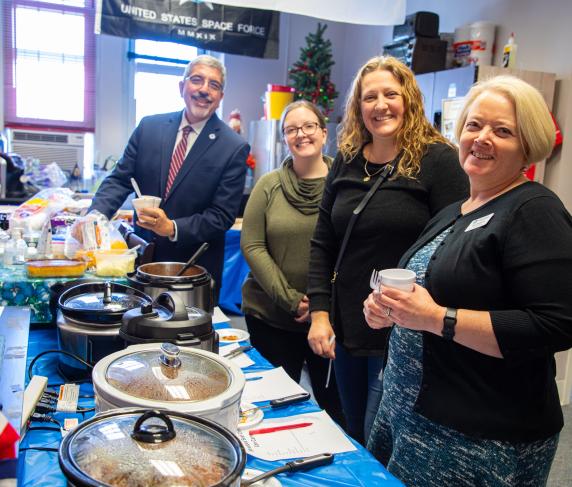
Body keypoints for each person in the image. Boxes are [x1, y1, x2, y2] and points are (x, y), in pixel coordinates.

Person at [363, 75, 572, 486]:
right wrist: (389, 310)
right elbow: (432, 292)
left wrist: (439, 318)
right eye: (474, 125)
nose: (482, 138)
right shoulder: (459, 209)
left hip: (476, 438)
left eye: (503, 130)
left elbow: (557, 324)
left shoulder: (534, 210)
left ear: (527, 145)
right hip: (410, 415)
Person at [306, 56, 469, 445]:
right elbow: (323, 242)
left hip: (405, 331)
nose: (380, 105)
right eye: (369, 97)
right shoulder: (346, 158)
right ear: (358, 107)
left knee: (381, 440)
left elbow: (456, 248)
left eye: (390, 94)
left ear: (408, 99)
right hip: (348, 326)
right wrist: (320, 314)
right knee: (352, 431)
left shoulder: (438, 160)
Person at [89, 55, 249, 293]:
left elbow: (222, 216)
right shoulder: (149, 127)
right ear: (182, 86)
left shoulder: (233, 146)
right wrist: (94, 218)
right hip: (142, 262)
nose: (204, 90)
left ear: (220, 97)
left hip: (192, 272)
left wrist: (172, 227)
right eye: (197, 80)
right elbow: (120, 179)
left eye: (213, 85)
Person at [241, 100, 344, 424]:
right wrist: (291, 300)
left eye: (309, 126)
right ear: (284, 137)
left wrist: (320, 307)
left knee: (334, 411)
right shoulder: (269, 185)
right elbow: (252, 244)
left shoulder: (345, 184)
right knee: (274, 412)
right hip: (271, 317)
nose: (301, 134)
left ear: (324, 132)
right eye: (291, 129)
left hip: (330, 321)